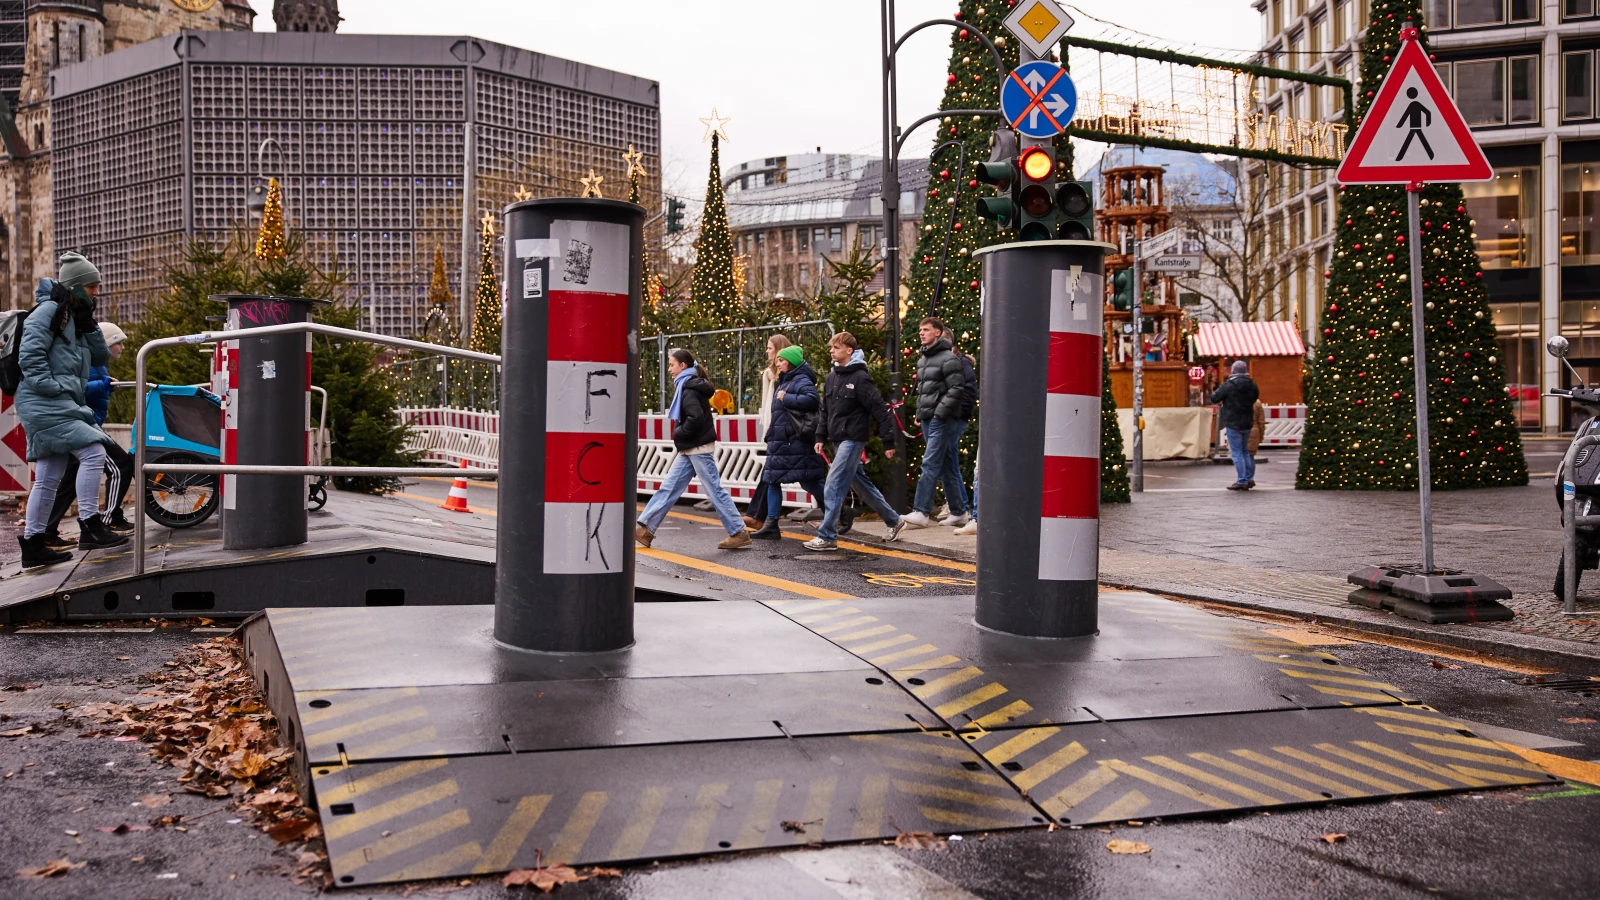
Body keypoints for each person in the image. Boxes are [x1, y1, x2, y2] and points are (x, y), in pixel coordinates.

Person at [15, 252, 128, 567]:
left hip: (57, 400)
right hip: (44, 399)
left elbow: (100, 356)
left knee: (49, 473)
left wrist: (89, 321)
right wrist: (56, 389)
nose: (97, 292)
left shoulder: (74, 317)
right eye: (92, 286)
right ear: (77, 285)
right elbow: (30, 356)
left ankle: (34, 545)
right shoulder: (49, 311)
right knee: (93, 452)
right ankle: (90, 526)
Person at [637, 349, 751, 550]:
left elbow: (695, 418)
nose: (670, 369)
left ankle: (739, 532)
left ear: (683, 366)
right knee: (669, 487)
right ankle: (645, 528)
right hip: (692, 448)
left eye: (672, 365)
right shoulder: (688, 385)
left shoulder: (688, 388)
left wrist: (678, 434)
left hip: (697, 446)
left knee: (713, 489)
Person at [805, 332, 905, 551]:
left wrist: (888, 441)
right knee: (861, 485)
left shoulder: (860, 378)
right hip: (839, 440)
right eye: (831, 347)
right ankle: (894, 520)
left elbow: (879, 408)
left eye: (836, 347)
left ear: (849, 350)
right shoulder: (832, 377)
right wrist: (821, 436)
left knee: (833, 483)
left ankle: (828, 536)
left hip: (853, 439)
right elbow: (825, 410)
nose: (831, 350)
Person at [42, 322, 136, 544]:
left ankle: (47, 531)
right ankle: (107, 519)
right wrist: (104, 385)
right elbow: (77, 389)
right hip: (85, 427)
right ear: (106, 344)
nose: (122, 348)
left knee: (69, 479)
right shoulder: (89, 361)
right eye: (118, 343)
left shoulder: (98, 363)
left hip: (86, 425)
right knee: (121, 465)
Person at [753, 345, 827, 540]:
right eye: (777, 360)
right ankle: (771, 523)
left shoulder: (801, 380)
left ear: (791, 362)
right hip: (782, 440)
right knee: (772, 480)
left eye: (781, 360)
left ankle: (838, 510)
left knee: (807, 481)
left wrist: (787, 397)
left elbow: (812, 400)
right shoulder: (785, 381)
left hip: (794, 440)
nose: (777, 364)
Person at [901, 317, 970, 528]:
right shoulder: (923, 359)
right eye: (921, 329)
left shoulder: (948, 358)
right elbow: (926, 391)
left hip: (941, 419)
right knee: (948, 465)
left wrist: (939, 413)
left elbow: (956, 389)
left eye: (926, 330)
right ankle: (959, 512)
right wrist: (920, 413)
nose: (921, 333)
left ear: (937, 333)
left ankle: (921, 512)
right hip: (929, 418)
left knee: (930, 463)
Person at [742, 333, 792, 529]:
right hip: (777, 430)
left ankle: (759, 517)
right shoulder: (771, 376)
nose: (767, 351)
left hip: (786, 431)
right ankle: (761, 518)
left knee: (808, 479)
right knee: (772, 475)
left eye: (770, 348)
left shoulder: (785, 376)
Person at [1211, 359, 1260, 491]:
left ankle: (1242, 480)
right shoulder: (1252, 384)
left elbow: (1214, 398)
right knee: (1245, 451)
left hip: (1233, 421)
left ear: (1233, 370)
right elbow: (1255, 398)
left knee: (1237, 452)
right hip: (1247, 421)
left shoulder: (1229, 385)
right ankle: (1249, 478)